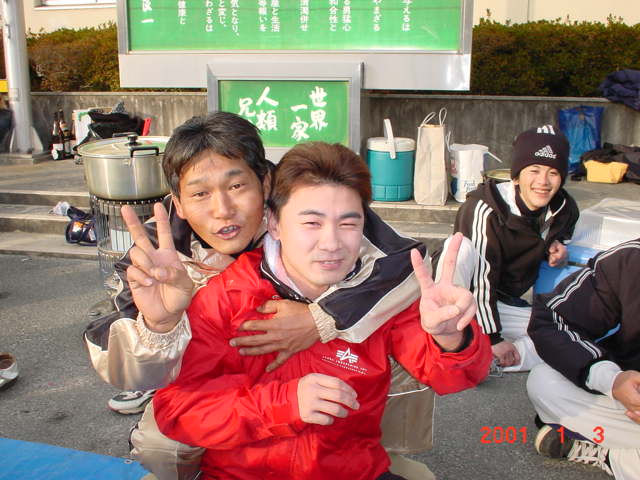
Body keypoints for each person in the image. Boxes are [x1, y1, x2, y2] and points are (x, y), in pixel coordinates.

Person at [84, 113, 436, 479]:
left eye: (237, 186)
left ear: (266, 183)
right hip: (215, 379)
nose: (223, 210)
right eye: (201, 193)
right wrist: (160, 325)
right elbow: (122, 367)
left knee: (402, 341)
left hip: (324, 372)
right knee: (161, 445)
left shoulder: (307, 204)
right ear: (180, 203)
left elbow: (407, 265)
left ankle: (376, 451)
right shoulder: (154, 254)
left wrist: (323, 318)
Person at [139, 141, 492, 480]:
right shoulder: (226, 297)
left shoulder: (382, 296)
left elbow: (454, 377)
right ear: (274, 223)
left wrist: (451, 337)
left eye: (348, 224)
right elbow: (178, 411)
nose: (332, 243)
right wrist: (284, 403)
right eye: (311, 223)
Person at [434, 125, 579, 372]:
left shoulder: (563, 208)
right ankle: (450, 337)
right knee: (460, 248)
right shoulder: (486, 208)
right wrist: (493, 337)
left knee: (567, 335)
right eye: (534, 170)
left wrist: (557, 245)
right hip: (462, 296)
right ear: (516, 176)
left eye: (553, 172)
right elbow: (482, 278)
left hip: (502, 302)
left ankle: (490, 361)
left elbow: (563, 231)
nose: (543, 182)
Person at [526, 238, 640, 479]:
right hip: (629, 405)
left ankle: (611, 456)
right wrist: (612, 381)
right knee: (544, 381)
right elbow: (552, 318)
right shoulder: (631, 260)